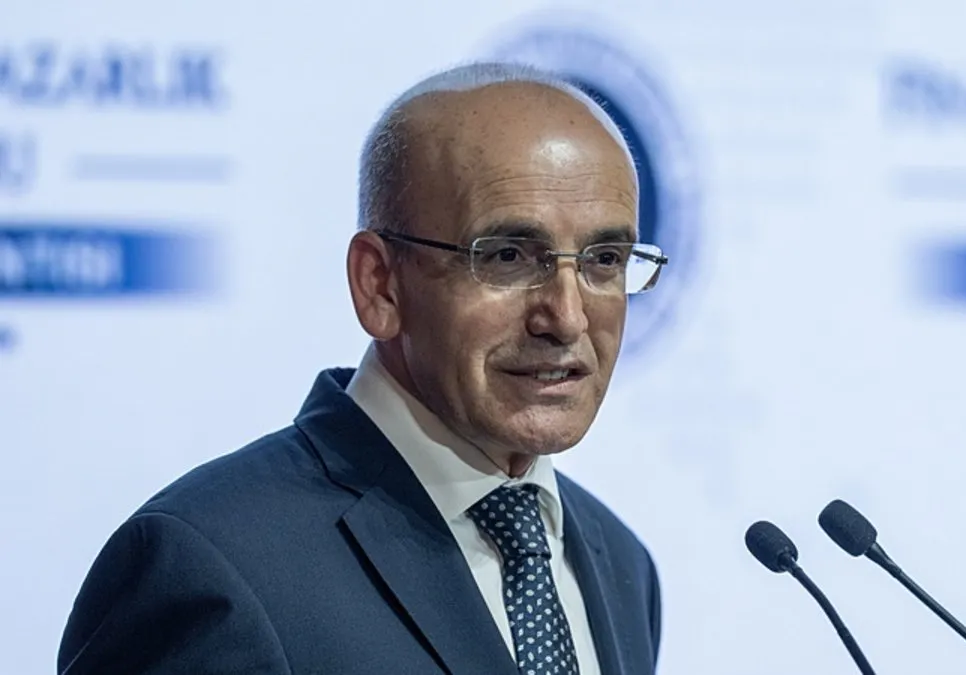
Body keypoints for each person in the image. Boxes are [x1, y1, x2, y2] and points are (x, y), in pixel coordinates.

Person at [57, 62, 669, 675]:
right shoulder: (212, 568)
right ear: (379, 284)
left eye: (605, 259)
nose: (566, 317)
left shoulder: (619, 563)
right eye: (507, 256)